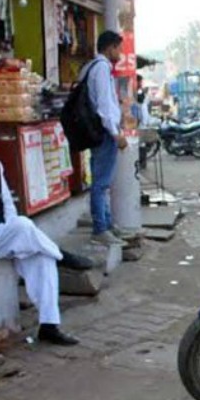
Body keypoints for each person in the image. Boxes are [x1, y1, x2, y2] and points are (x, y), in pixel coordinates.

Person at [0, 121, 80, 345]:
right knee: (22, 226)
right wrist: (5, 232)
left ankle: (49, 325)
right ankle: (62, 255)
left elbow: (7, 204)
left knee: (42, 257)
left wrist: (8, 230)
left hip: (2, 237)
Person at [79, 31, 128, 246]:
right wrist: (116, 133)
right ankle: (100, 228)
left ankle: (106, 224)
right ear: (109, 48)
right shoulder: (101, 69)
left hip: (99, 132)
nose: (121, 52)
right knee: (100, 184)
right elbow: (105, 106)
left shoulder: (91, 68)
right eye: (118, 48)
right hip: (104, 133)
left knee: (102, 182)